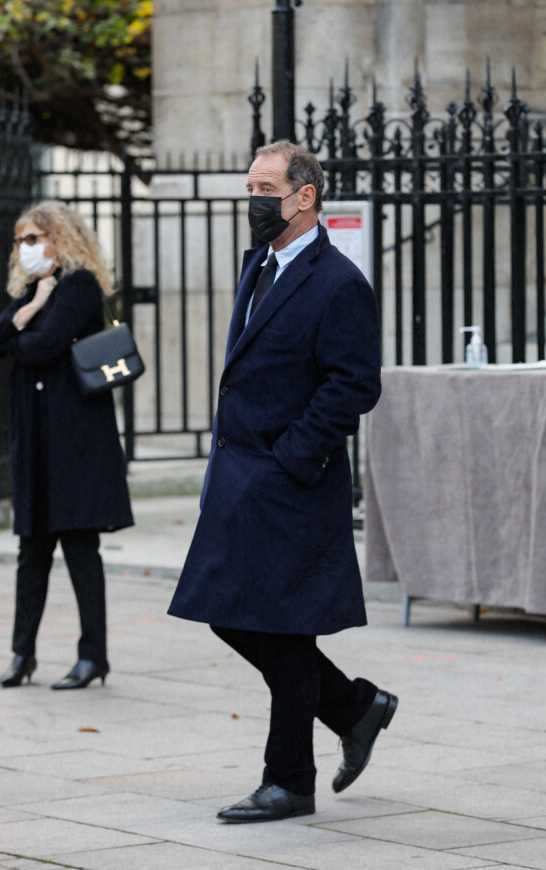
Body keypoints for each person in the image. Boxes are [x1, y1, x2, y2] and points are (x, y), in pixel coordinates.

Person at [168, 140, 398, 823]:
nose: (254, 202)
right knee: (228, 611)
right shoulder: (260, 263)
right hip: (240, 475)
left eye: (266, 188)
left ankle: (289, 780)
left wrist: (289, 459)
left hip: (290, 478)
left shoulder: (339, 283)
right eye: (249, 188)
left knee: (285, 626)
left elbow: (353, 385)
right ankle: (355, 708)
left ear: (306, 197)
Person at [0, 200, 134, 690]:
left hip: (75, 440)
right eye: (20, 241)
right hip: (35, 440)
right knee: (31, 551)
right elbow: (0, 338)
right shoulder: (33, 291)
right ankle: (22, 654)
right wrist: (29, 309)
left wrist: (20, 330)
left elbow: (41, 347)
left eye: (33, 238)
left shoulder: (80, 286)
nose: (24, 248)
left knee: (80, 548)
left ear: (61, 238)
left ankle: (92, 656)